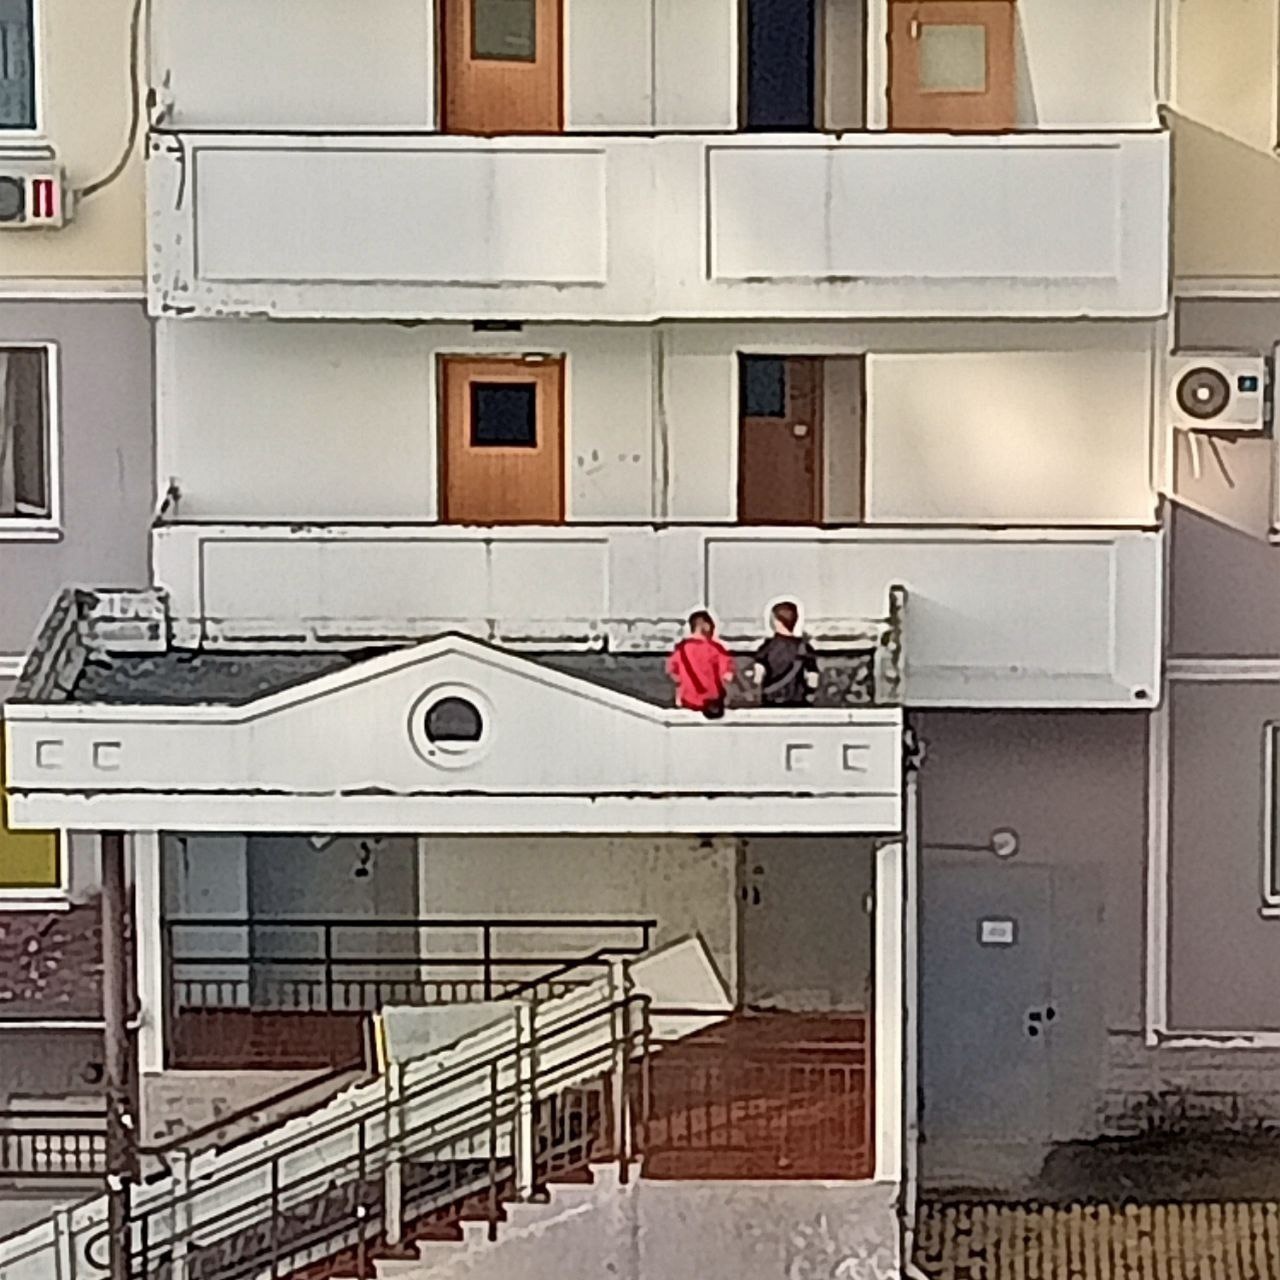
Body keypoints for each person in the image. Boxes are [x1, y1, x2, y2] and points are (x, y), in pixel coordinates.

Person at [667, 609, 736, 719]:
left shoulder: (680, 650)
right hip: (712, 705)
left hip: (687, 702)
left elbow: (673, 674)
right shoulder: (716, 649)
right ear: (706, 626)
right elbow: (728, 676)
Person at [752, 600, 819, 707]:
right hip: (798, 701)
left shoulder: (768, 647)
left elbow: (757, 678)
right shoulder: (804, 647)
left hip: (771, 700)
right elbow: (813, 679)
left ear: (777, 621)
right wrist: (809, 693)